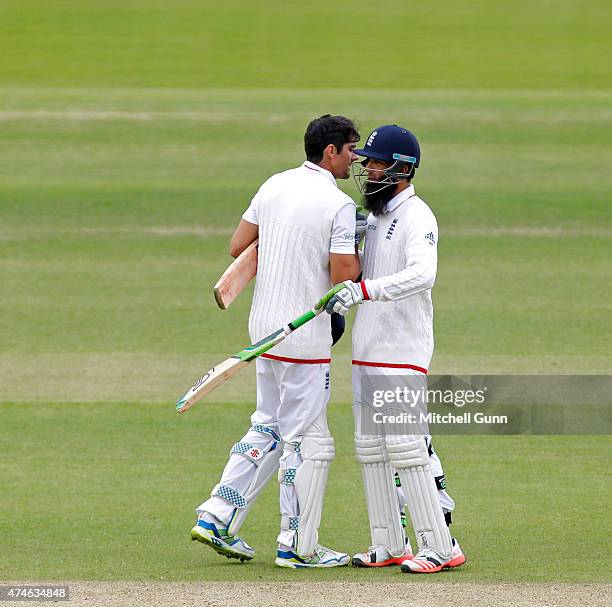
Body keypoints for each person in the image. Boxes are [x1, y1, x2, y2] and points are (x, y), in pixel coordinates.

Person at [191, 115, 361, 569]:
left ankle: (217, 513)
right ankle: (295, 543)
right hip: (305, 338)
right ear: (330, 152)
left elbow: (238, 246)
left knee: (268, 424)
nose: (355, 159)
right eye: (350, 150)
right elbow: (345, 276)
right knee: (303, 440)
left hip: (264, 331)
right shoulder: (338, 205)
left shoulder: (274, 184)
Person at [318, 124, 466, 573]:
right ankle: (389, 544)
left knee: (405, 449)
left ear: (402, 169)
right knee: (370, 449)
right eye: (367, 161)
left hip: (402, 350)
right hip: (367, 350)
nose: (368, 169)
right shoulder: (377, 218)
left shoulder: (418, 216)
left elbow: (424, 274)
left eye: (377, 163)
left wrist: (363, 291)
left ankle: (441, 548)